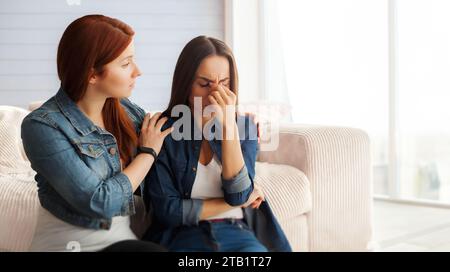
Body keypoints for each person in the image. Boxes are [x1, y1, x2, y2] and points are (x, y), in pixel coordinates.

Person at [21, 14, 172, 252]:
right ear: (92, 74)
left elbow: (172, 142)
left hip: (123, 241)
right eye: (126, 64)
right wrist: (147, 154)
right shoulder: (42, 126)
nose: (138, 72)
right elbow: (98, 202)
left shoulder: (123, 110)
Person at [142, 36, 292, 252]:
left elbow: (239, 193)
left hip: (236, 232)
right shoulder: (163, 130)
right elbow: (169, 211)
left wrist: (229, 127)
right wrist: (235, 203)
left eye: (224, 83)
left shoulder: (245, 126)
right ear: (186, 84)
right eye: (204, 84)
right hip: (182, 236)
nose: (216, 94)